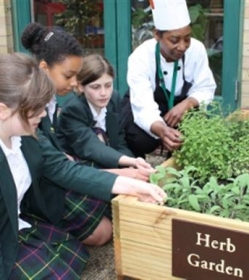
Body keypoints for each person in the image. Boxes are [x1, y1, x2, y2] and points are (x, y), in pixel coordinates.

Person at [20, 22, 166, 248]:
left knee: (111, 212)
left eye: (108, 86)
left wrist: (129, 166)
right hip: (45, 189)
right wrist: (125, 176)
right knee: (104, 231)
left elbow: (116, 142)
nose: (73, 83)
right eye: (68, 75)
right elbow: (75, 158)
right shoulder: (47, 110)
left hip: (63, 172)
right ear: (43, 68)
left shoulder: (52, 102)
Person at [0, 53, 89, 280]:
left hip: (15, 223)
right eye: (35, 108)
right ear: (2, 110)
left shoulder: (25, 135)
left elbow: (61, 168)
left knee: (76, 254)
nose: (43, 114)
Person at [121, 0, 216, 158]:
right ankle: (138, 163)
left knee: (196, 130)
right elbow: (143, 106)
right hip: (147, 103)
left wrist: (188, 104)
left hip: (180, 105)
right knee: (141, 139)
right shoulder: (141, 57)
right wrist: (162, 131)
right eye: (174, 40)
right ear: (157, 35)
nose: (182, 46)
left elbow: (205, 87)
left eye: (187, 38)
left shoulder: (197, 49)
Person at [56, 54, 154, 179]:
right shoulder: (73, 109)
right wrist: (131, 162)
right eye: (95, 87)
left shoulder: (113, 99)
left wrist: (133, 164)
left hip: (107, 161)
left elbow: (119, 141)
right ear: (80, 86)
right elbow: (91, 148)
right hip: (80, 168)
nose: (104, 93)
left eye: (108, 85)